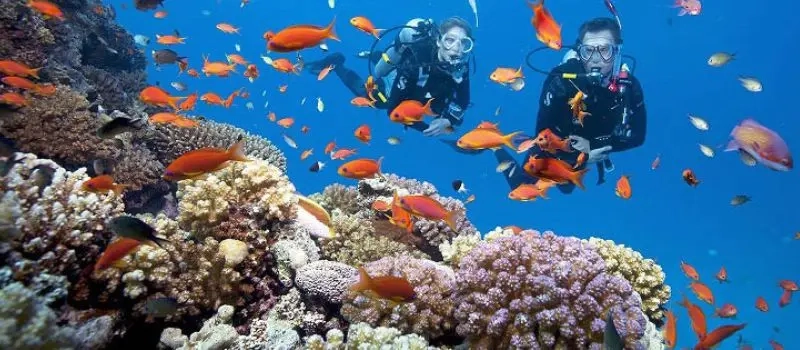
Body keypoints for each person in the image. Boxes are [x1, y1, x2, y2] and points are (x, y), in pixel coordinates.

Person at [495, 17, 647, 194]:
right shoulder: (560, 81)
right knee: (521, 189)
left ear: (617, 52)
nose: (595, 59)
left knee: (567, 186)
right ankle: (497, 149)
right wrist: (576, 153)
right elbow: (542, 131)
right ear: (579, 51)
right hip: (559, 142)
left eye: (605, 50)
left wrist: (594, 148)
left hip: (597, 145)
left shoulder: (628, 86)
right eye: (588, 51)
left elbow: (638, 136)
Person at [306, 17, 474, 136]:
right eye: (450, 40)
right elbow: (392, 109)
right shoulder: (417, 62)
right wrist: (425, 127)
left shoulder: (460, 67)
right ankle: (337, 63)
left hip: (423, 95)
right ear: (439, 41)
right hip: (396, 88)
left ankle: (374, 55)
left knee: (448, 115)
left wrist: (447, 121)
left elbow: (463, 99)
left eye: (464, 43)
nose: (456, 48)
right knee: (371, 98)